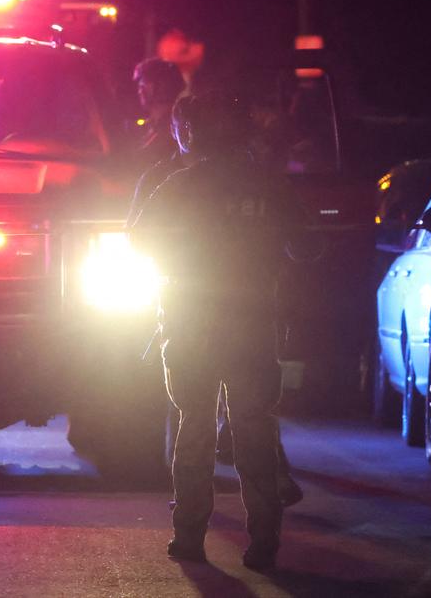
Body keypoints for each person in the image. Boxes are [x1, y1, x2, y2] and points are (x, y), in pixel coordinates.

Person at [131, 90, 311, 571]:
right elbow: (306, 246)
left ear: (188, 132)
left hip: (190, 323)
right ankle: (265, 542)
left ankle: (189, 537)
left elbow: (138, 240)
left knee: (194, 428)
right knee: (255, 429)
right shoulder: (268, 186)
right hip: (252, 322)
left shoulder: (177, 185)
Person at [131, 58, 187, 171]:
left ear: (161, 85)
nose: (140, 89)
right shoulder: (155, 125)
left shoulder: (173, 130)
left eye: (144, 82)